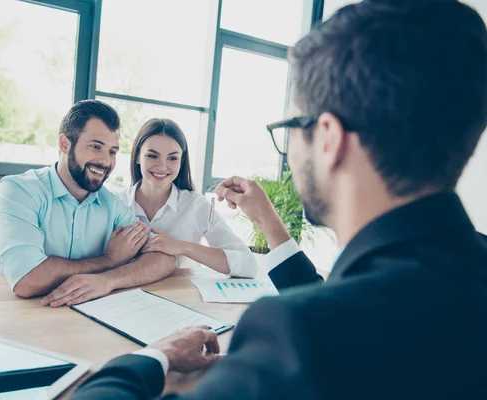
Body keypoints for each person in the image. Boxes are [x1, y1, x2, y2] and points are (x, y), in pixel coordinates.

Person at [71, 0, 487, 398]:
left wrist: (156, 354)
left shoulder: (298, 335)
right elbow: (346, 294)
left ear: (328, 139)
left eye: (291, 126)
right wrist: (268, 220)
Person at [0, 100, 176, 307]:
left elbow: (164, 258)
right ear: (65, 144)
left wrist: (109, 280)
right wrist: (109, 260)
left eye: (112, 151)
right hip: (6, 312)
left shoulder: (113, 205)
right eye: (96, 147)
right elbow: (27, 279)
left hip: (74, 317)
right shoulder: (19, 190)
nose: (106, 161)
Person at [120, 118, 258, 277]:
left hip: (179, 296)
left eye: (172, 158)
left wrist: (183, 247)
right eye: (152, 156)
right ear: (137, 156)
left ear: (181, 161)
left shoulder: (196, 206)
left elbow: (248, 265)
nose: (162, 165)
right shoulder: (117, 204)